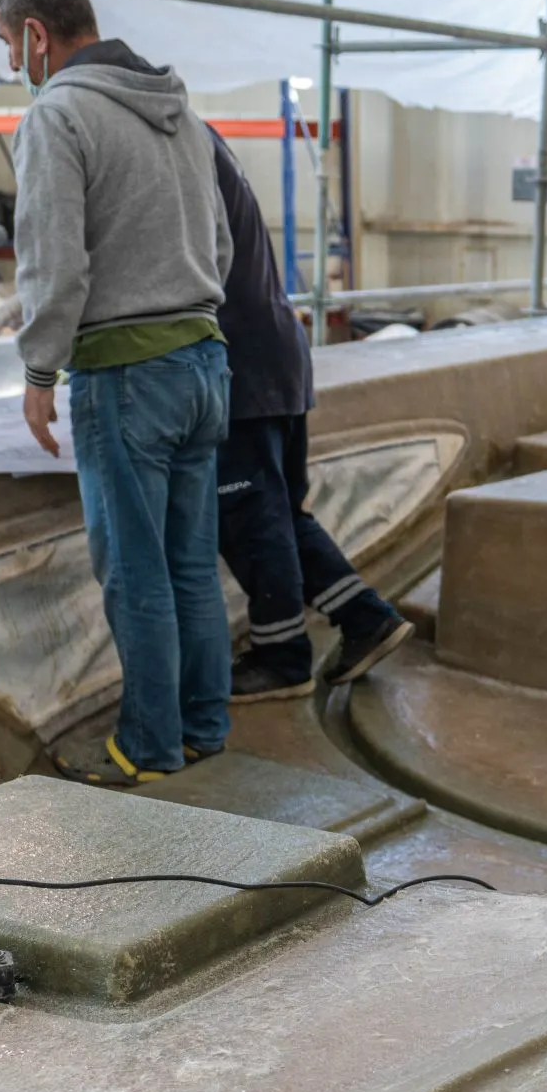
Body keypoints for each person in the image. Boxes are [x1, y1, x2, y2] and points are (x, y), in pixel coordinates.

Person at [0, 0, 236, 786]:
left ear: (35, 34)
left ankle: (147, 748)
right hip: (204, 361)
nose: (12, 63)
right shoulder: (183, 114)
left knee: (136, 574)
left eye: (7, 43)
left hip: (126, 375)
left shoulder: (57, 113)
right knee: (192, 564)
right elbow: (221, 245)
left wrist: (39, 369)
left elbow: (54, 261)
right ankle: (203, 727)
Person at [205, 126, 413, 701]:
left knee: (247, 516)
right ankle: (365, 618)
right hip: (275, 349)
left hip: (241, 361)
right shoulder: (202, 139)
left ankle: (281, 657)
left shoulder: (168, 144)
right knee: (277, 510)